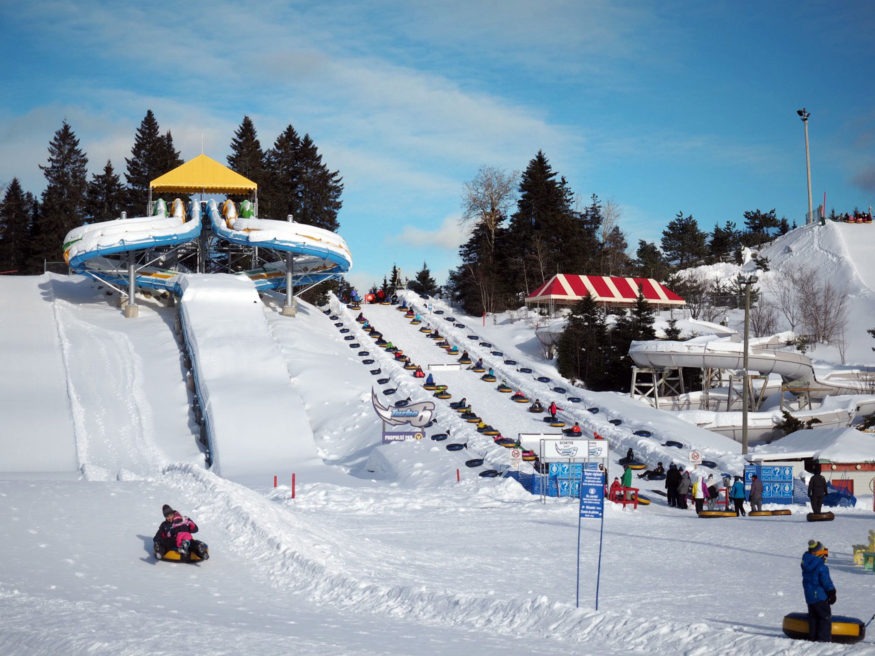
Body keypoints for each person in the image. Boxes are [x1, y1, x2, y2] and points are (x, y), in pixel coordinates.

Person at [801, 539, 836, 642]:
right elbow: (826, 581)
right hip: (820, 596)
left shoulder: (806, 562)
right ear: (817, 552)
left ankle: (813, 639)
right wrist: (832, 592)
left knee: (813, 618)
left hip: (810, 597)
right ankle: (823, 640)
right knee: (824, 617)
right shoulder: (820, 566)